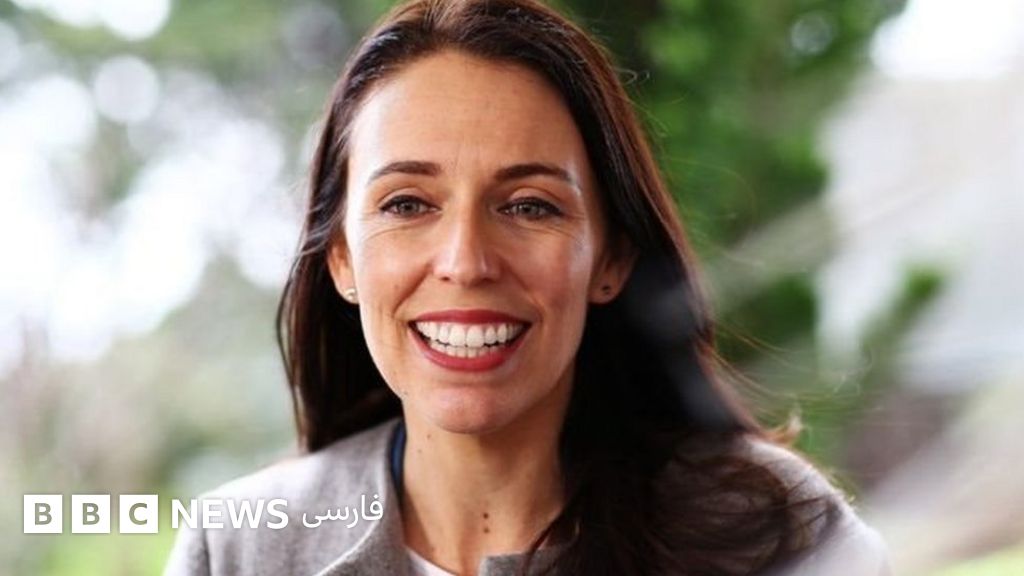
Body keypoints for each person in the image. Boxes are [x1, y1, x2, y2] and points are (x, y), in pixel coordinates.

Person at [165, 0, 890, 574]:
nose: (466, 261)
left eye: (530, 206)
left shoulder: (782, 536)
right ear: (342, 259)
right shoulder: (236, 550)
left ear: (611, 258)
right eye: (407, 204)